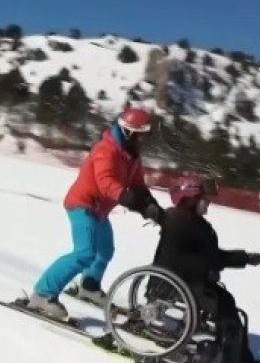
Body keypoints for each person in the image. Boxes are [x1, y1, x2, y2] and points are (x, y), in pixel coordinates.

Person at [28, 107, 164, 320]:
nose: (143, 140)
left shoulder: (132, 155)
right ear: (128, 132)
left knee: (105, 251)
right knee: (84, 253)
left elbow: (138, 186)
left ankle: (89, 288)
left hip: (99, 211)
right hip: (83, 205)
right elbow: (106, 181)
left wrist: (151, 206)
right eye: (140, 135)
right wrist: (124, 196)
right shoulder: (106, 150)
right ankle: (42, 294)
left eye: (145, 136)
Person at [151, 175, 260, 363]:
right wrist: (242, 258)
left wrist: (243, 258)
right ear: (191, 199)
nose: (209, 202)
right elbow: (199, 259)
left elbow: (210, 256)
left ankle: (239, 358)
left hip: (189, 280)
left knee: (227, 302)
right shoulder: (182, 224)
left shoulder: (193, 223)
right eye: (205, 198)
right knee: (225, 310)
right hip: (176, 284)